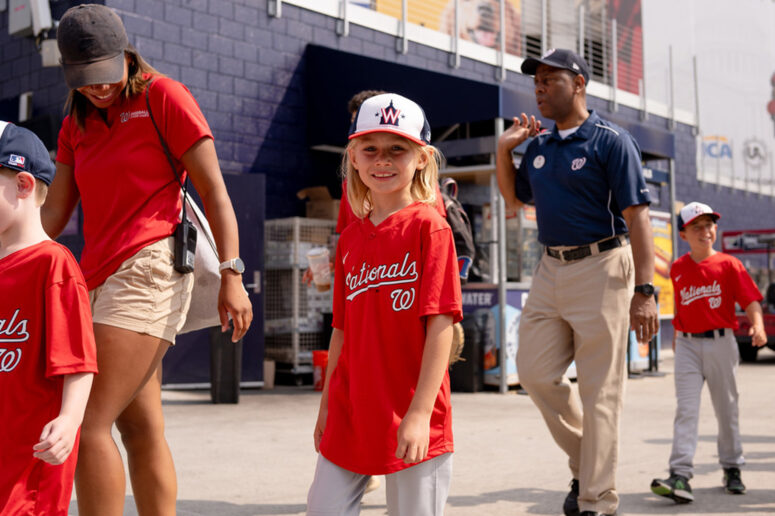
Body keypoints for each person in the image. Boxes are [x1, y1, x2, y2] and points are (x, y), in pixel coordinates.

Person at [42, 5, 253, 515]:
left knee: (88, 421)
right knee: (139, 426)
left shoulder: (164, 96)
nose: (98, 88)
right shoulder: (76, 122)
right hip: (95, 276)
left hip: (152, 267)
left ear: (127, 54)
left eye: (106, 74)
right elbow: (52, 216)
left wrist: (233, 274)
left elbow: (216, 194)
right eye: (85, 79)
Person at [495, 48, 658, 516]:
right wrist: (505, 148)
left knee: (600, 391)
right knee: (533, 373)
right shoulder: (540, 147)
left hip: (603, 265)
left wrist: (645, 292)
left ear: (579, 83)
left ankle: (596, 501)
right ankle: (586, 462)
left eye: (550, 80)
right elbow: (514, 198)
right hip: (550, 268)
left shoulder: (611, 141)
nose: (540, 88)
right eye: (536, 82)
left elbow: (638, 218)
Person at [307, 93, 463, 515]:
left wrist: (419, 413)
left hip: (411, 407)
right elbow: (341, 329)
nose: (383, 160)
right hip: (351, 408)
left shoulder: (430, 229)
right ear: (353, 157)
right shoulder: (351, 239)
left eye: (398, 149)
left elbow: (441, 325)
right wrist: (326, 406)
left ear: (422, 158)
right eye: (370, 149)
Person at [0, 122, 98, 515]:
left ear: (24, 185)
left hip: (30, 462)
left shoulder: (52, 266)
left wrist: (70, 419)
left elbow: (78, 361)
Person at [650, 202, 765, 503]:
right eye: (697, 227)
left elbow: (751, 299)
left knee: (726, 409)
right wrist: (677, 335)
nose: (705, 231)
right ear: (683, 233)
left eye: (709, 225)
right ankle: (680, 474)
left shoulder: (729, 264)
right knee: (686, 410)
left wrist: (758, 325)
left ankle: (732, 467)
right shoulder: (677, 267)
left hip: (720, 343)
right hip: (687, 344)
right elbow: (682, 307)